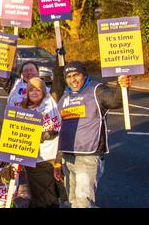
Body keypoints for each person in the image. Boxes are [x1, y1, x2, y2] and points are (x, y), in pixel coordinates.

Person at [56, 61, 132, 208]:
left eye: (76, 75)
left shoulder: (97, 90)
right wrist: (58, 161)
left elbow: (116, 100)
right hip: (68, 158)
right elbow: (61, 130)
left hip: (88, 156)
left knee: (84, 203)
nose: (73, 79)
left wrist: (122, 85)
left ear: (84, 75)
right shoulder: (65, 97)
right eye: (69, 76)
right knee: (72, 201)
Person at [20, 77, 62, 208]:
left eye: (38, 89)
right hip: (31, 159)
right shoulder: (23, 108)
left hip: (49, 158)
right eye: (31, 89)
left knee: (49, 197)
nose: (34, 92)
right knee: (36, 197)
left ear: (44, 91)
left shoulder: (50, 103)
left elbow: (56, 129)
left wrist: (42, 135)